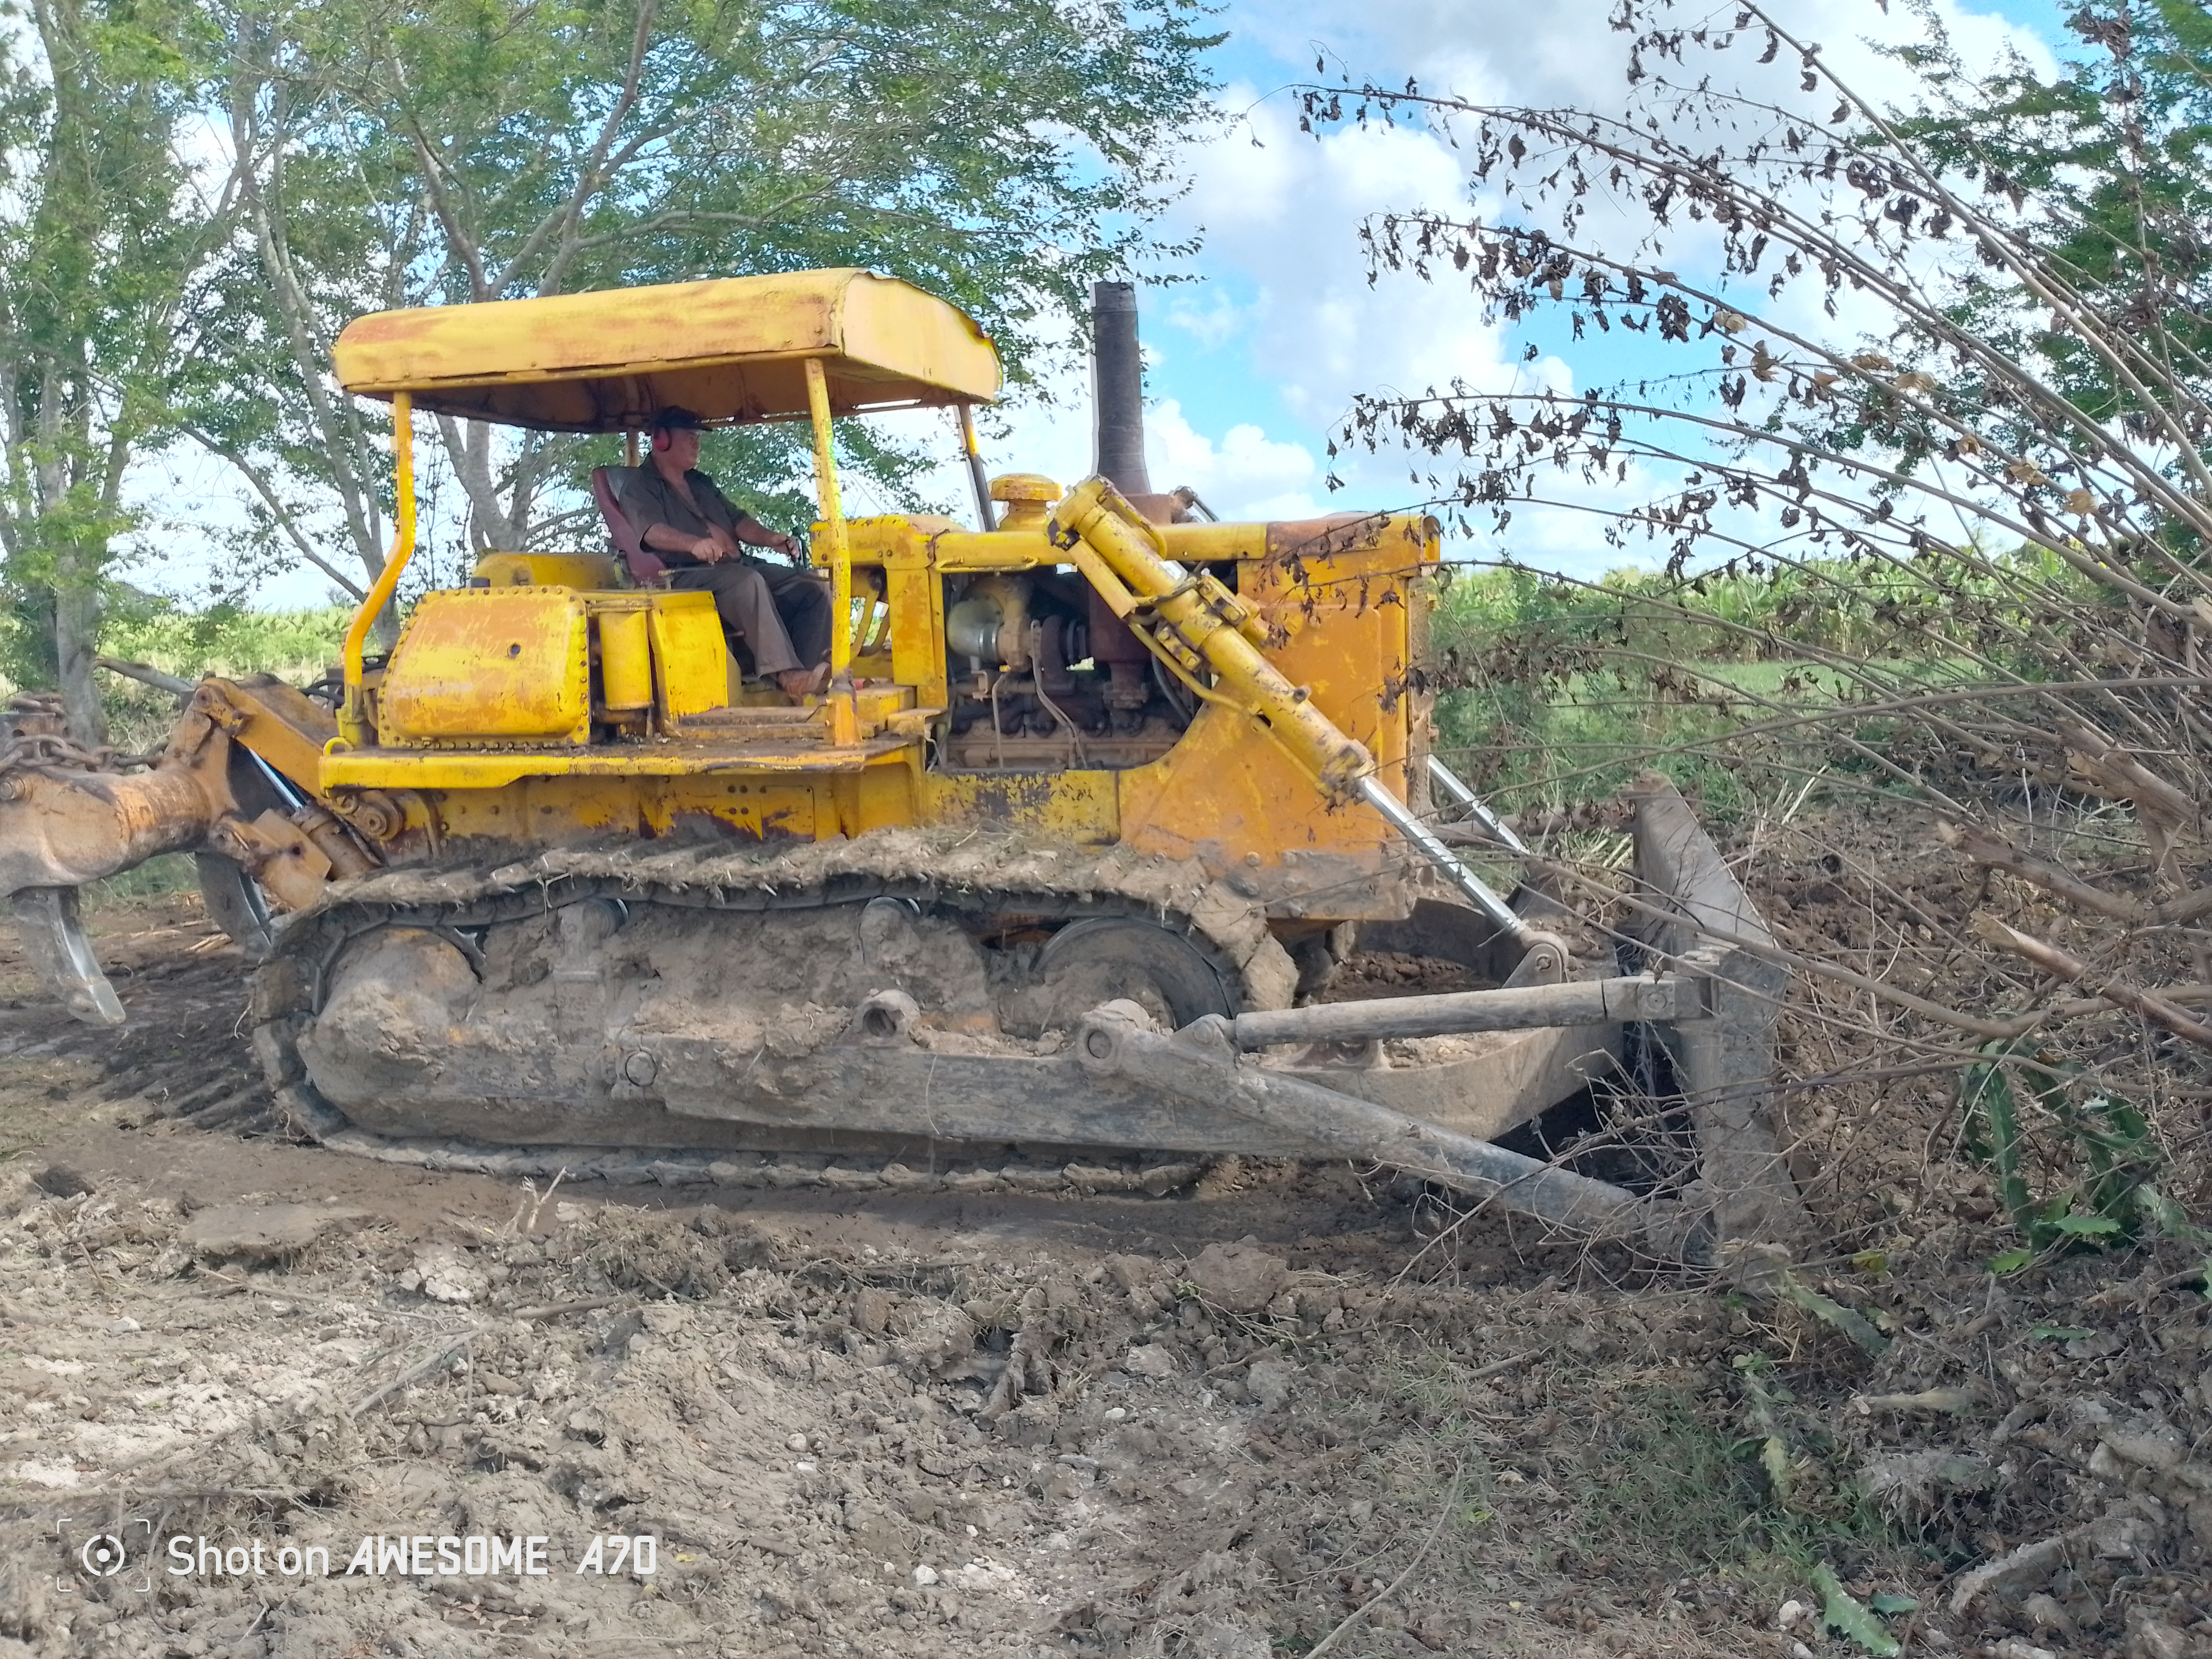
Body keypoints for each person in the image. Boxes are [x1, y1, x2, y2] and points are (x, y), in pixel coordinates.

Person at [614, 408, 832, 699]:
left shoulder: (700, 483)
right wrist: (693, 544)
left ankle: (812, 676)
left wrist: (771, 539)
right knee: (748, 582)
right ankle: (786, 676)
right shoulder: (639, 486)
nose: (697, 444)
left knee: (814, 586)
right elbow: (651, 531)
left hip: (732, 567)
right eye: (689, 436)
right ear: (661, 440)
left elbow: (738, 521)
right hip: (681, 575)